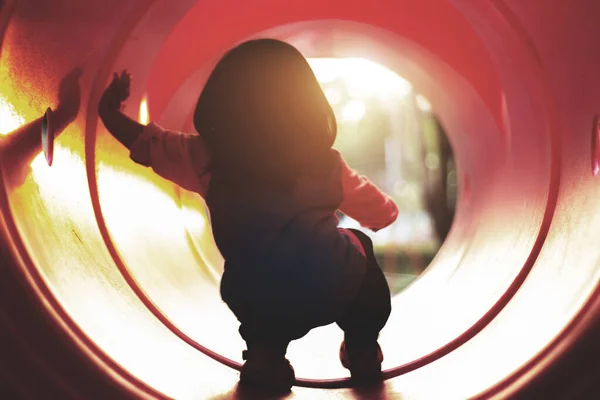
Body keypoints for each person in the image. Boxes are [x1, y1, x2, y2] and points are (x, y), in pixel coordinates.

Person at [98, 39, 398, 392]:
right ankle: (362, 348)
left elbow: (149, 143)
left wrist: (108, 112)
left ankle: (265, 358)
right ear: (307, 107)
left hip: (258, 297)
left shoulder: (206, 159)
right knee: (359, 245)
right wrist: (383, 215)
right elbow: (372, 205)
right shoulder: (324, 163)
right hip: (329, 282)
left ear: (220, 106)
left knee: (257, 292)